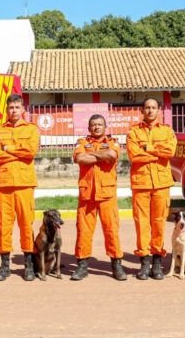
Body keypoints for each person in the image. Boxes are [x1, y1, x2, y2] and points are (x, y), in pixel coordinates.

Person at [0, 94, 40, 281]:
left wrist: (8, 149)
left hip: (24, 184)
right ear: (7, 110)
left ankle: (28, 265)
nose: (14, 111)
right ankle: (4, 266)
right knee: (4, 226)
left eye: (17, 107)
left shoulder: (31, 129)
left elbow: (31, 152)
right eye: (11, 108)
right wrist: (19, 152)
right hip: (3, 185)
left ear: (23, 109)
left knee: (26, 224)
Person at [71, 114, 127, 281]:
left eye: (99, 124)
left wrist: (92, 155)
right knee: (83, 230)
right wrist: (99, 155)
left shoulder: (112, 142)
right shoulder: (81, 142)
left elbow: (112, 155)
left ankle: (116, 264)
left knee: (111, 230)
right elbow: (79, 158)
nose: (96, 127)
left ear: (105, 127)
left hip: (107, 194)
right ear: (89, 128)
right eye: (93, 125)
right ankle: (82, 266)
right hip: (87, 194)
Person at [127, 98, 177, 280]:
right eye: (147, 107)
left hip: (162, 184)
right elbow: (135, 156)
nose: (150, 111)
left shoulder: (167, 131)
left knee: (159, 222)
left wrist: (149, 148)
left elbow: (170, 152)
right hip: (141, 183)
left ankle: (157, 261)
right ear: (142, 110)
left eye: (153, 108)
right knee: (142, 223)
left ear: (159, 110)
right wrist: (158, 154)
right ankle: (144, 261)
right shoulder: (133, 132)